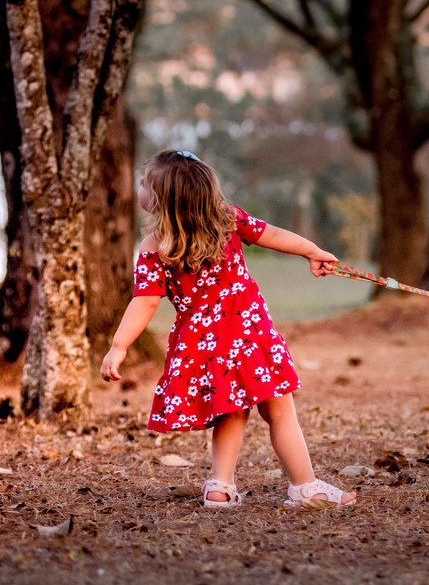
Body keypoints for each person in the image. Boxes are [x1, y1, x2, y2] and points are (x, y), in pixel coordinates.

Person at [100, 149, 356, 509]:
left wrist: (119, 345)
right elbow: (273, 235)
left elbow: (144, 301)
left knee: (230, 412)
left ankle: (220, 487)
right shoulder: (228, 221)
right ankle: (305, 486)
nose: (138, 186)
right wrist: (311, 251)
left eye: (144, 183)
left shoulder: (154, 247)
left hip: (204, 347)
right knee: (280, 412)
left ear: (161, 201)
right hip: (250, 337)